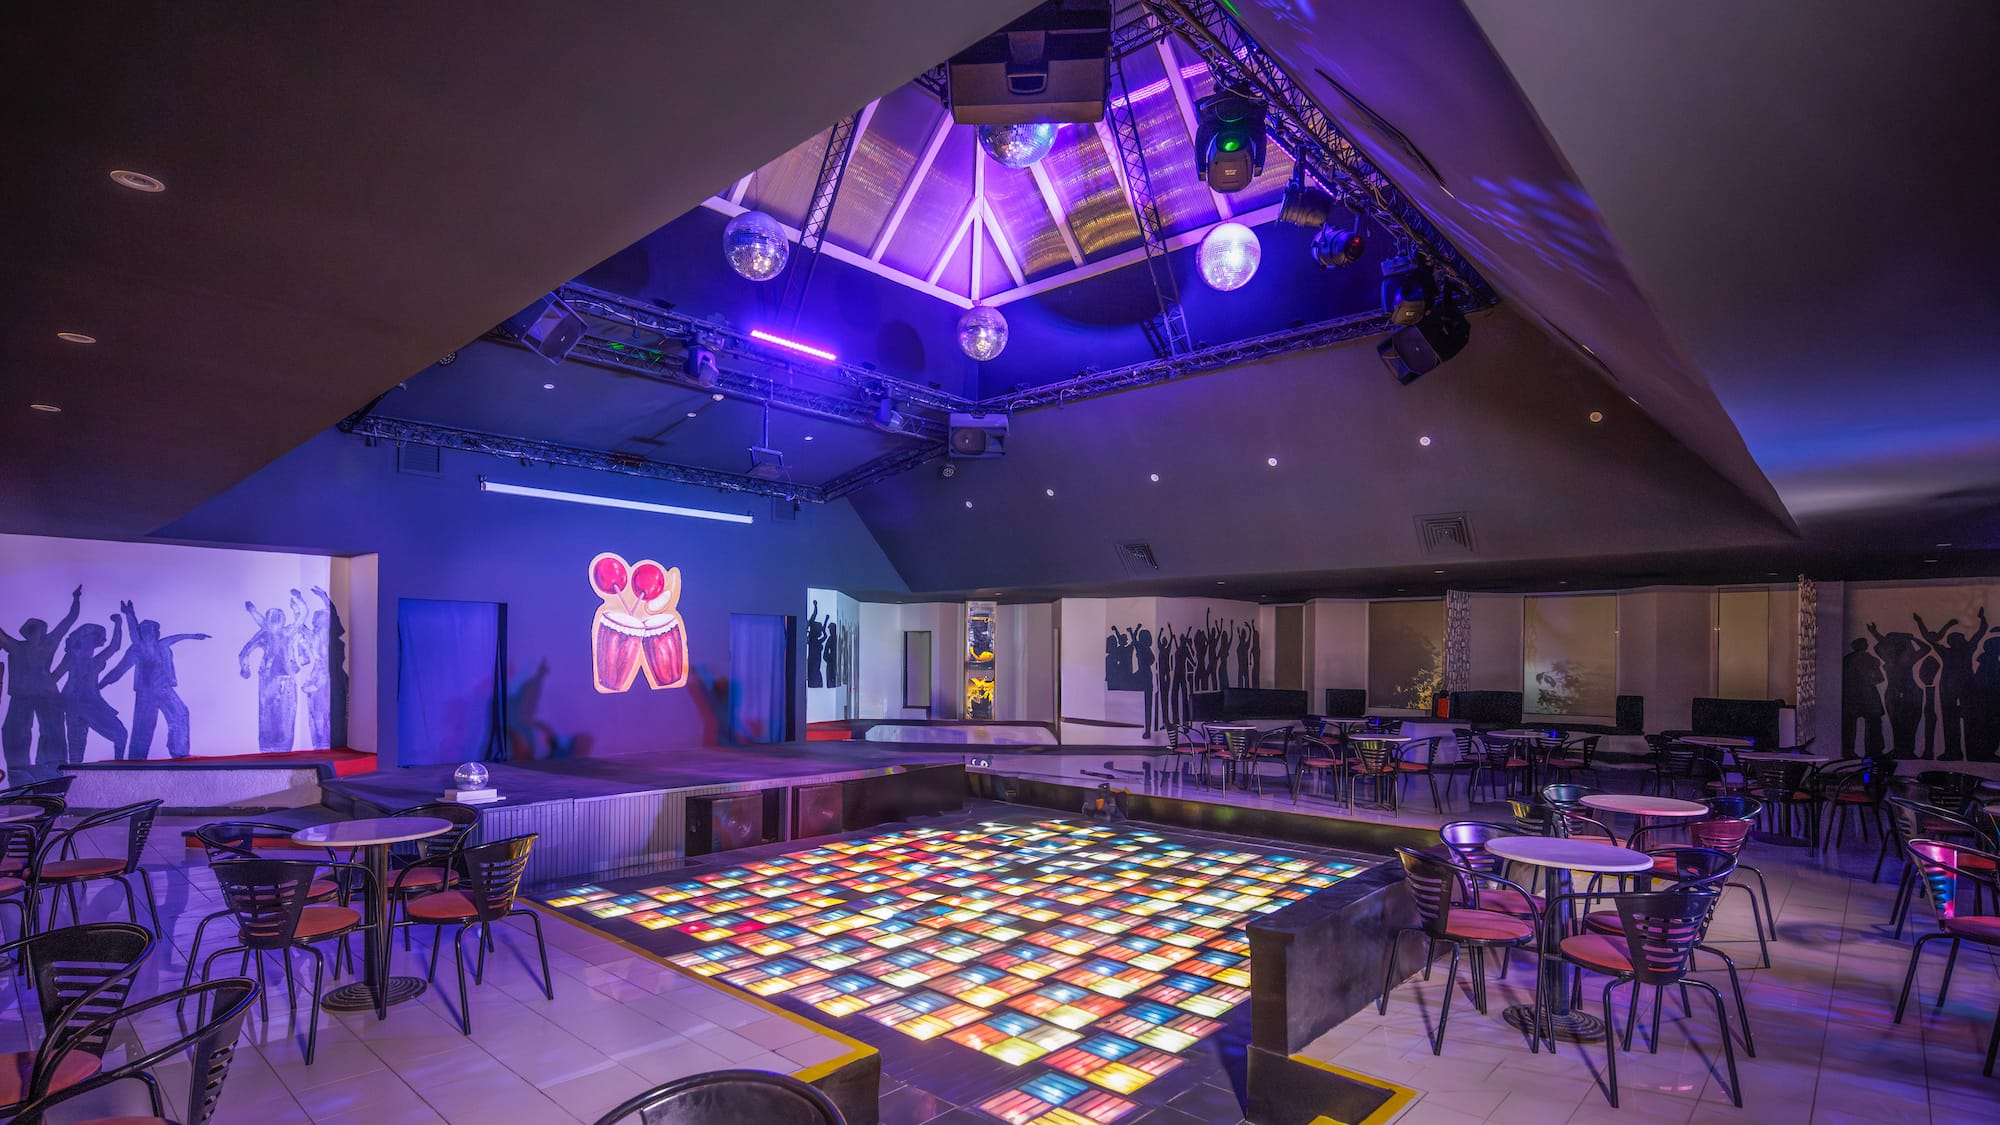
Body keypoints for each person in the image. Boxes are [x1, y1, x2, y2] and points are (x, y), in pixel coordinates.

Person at [100, 600, 207, 760]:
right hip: (146, 693)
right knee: (143, 728)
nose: (149, 633)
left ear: (156, 633)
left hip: (164, 689)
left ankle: (179, 753)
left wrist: (193, 636)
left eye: (152, 630)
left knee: (180, 714)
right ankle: (136, 760)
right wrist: (129, 614)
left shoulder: (161, 646)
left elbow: (174, 638)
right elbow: (121, 667)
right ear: (142, 633)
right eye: (145, 630)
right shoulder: (137, 649)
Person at [0, 586, 83, 771]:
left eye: (41, 630)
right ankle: (18, 769)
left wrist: (76, 600)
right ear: (28, 633)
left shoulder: (48, 644)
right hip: (22, 696)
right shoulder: (17, 648)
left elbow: (67, 622)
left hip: (46, 695)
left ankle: (51, 768)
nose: (40, 633)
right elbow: (2, 636)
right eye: (37, 630)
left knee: (52, 732)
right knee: (15, 732)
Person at [1914, 608, 1988, 761]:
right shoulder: (1964, 649)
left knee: (1957, 719)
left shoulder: (1950, 651)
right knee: (1960, 719)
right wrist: (1982, 618)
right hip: (1957, 686)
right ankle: (1963, 752)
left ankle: (1958, 752)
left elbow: (1929, 639)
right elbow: (1981, 631)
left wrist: (1920, 622)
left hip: (1954, 687)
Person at [56, 616, 125, 763]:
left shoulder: (96, 660)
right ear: (83, 639)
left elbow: (114, 646)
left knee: (120, 734)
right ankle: (75, 773)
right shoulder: (72, 658)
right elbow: (55, 676)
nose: (95, 641)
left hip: (92, 703)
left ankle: (119, 766)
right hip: (75, 703)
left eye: (96, 638)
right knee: (76, 747)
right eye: (92, 637)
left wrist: (118, 624)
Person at [240, 599, 300, 753]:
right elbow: (244, 653)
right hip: (276, 678)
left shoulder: (271, 633)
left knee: (275, 711)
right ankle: (274, 745)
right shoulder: (277, 633)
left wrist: (245, 670)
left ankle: (277, 745)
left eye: (276, 618)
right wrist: (245, 669)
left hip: (277, 678)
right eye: (274, 619)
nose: (275, 622)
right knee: (276, 711)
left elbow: (244, 653)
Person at [1841, 637, 1886, 758]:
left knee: (1853, 724)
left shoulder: (1847, 660)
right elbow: (1880, 678)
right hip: (1863, 694)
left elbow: (1880, 678)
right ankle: (1873, 751)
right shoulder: (1869, 659)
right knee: (1872, 722)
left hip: (1854, 694)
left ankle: (1852, 751)